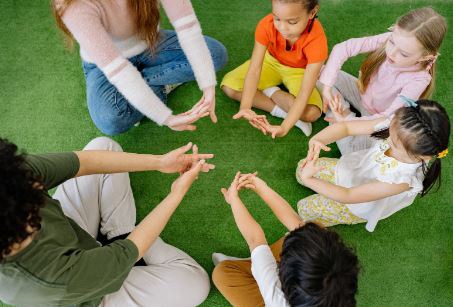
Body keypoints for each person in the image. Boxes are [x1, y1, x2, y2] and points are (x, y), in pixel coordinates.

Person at [0, 136, 215, 306]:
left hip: (74, 238)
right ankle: (123, 235)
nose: (40, 185)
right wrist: (176, 193)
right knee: (196, 283)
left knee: (103, 146)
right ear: (21, 227)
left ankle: (119, 231)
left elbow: (84, 162)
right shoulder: (49, 280)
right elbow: (126, 252)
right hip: (89, 297)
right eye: (33, 199)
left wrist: (160, 162)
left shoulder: (11, 176)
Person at [52, 0, 228, 135]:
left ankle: (144, 90)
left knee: (216, 55)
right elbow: (118, 71)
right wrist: (166, 118)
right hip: (105, 66)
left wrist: (208, 86)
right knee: (110, 119)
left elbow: (188, 27)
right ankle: (160, 85)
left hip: (151, 43)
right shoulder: (72, 5)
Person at [296, 99, 450, 232]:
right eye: (390, 131)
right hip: (353, 169)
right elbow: (347, 127)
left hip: (356, 204)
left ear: (423, 156)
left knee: (305, 208)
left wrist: (309, 180)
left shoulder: (403, 181)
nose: (387, 139)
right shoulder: (399, 125)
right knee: (301, 168)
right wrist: (318, 139)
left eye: (394, 144)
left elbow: (348, 195)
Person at [212, 172, 360, 306]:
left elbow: (255, 238)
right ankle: (258, 261)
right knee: (312, 230)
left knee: (222, 274)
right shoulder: (338, 291)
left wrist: (234, 200)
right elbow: (298, 226)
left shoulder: (276, 298)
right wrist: (262, 188)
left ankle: (256, 262)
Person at [317, 7, 446, 154]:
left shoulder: (419, 80)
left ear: (425, 57)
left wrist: (347, 123)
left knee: (352, 151)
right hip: (360, 92)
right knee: (319, 72)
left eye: (403, 54)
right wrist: (327, 88)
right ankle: (339, 111)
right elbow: (343, 48)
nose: (391, 52)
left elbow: (387, 118)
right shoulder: (396, 39)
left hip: (378, 118)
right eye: (391, 42)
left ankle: (341, 114)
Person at [222, 0, 328, 138]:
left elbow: (304, 92)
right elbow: (255, 68)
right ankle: (284, 112)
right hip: (270, 62)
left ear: (312, 12)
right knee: (229, 87)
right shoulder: (266, 25)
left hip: (299, 71)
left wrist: (284, 128)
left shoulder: (317, 42)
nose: (282, 28)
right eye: (277, 18)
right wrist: (245, 107)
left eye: (292, 22)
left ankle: (270, 91)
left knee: (311, 113)